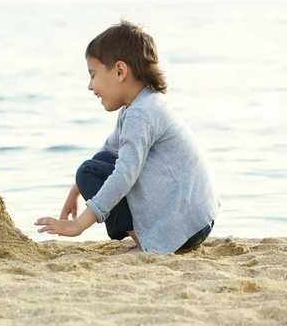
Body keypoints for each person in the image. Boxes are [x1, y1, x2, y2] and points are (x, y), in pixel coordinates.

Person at [34, 20, 220, 254]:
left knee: (91, 171)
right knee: (94, 166)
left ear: (120, 71)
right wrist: (76, 190)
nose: (90, 86)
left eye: (93, 75)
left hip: (184, 224)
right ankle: (149, 239)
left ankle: (147, 245)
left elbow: (124, 174)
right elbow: (108, 153)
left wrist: (79, 225)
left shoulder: (141, 114)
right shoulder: (139, 106)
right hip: (196, 218)